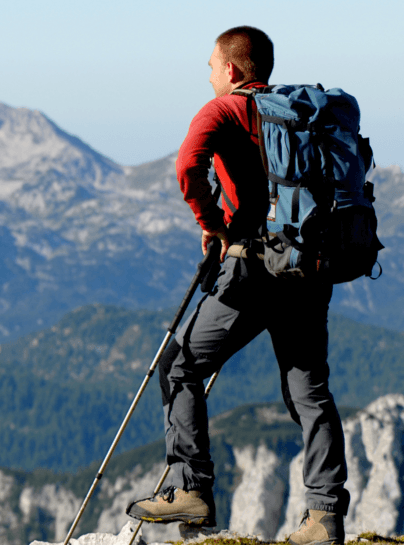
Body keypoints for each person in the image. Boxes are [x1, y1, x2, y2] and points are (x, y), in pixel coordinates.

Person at [125, 26, 349, 545]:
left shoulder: (222, 110)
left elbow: (187, 167)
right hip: (308, 268)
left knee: (179, 364)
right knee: (310, 392)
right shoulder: (297, 114)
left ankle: (191, 488)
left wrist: (213, 223)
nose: (208, 75)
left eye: (210, 66)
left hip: (250, 270)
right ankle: (324, 517)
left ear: (231, 70)